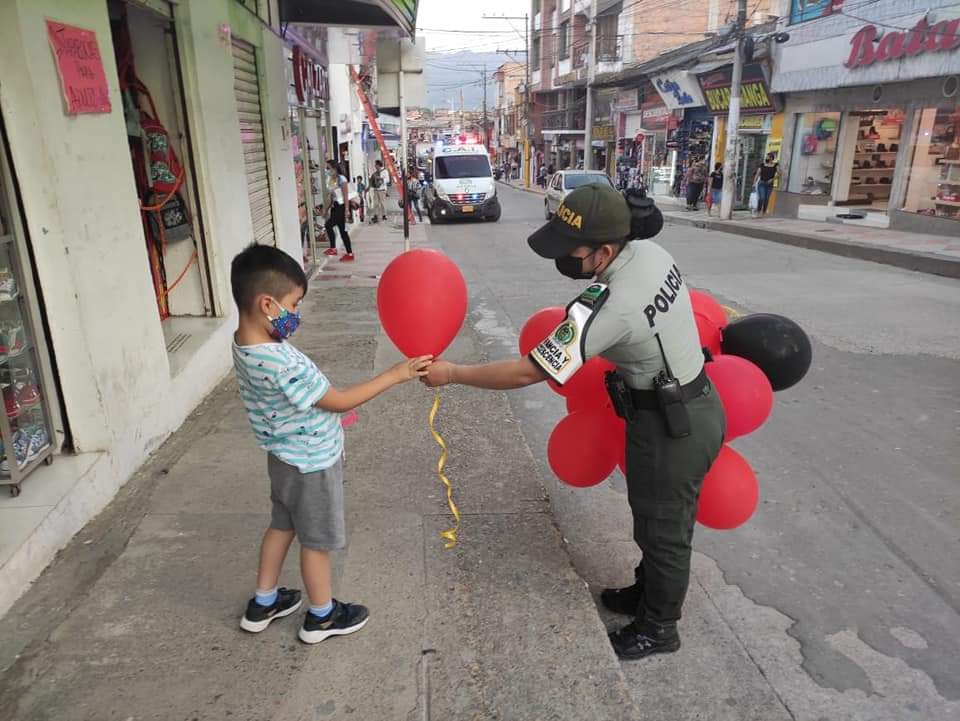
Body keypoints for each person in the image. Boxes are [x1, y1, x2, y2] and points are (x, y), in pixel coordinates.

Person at [423, 184, 724, 661]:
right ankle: (647, 594)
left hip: (674, 425)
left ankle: (659, 627)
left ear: (604, 251)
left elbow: (529, 370)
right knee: (654, 518)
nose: (564, 259)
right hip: (686, 406)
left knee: (664, 531)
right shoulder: (648, 252)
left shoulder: (611, 306)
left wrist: (453, 373)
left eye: (571, 251)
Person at [229, 244, 432, 644]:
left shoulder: (246, 341)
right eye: (294, 304)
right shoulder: (278, 362)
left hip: (284, 457)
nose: (297, 314)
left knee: (281, 525)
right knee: (316, 542)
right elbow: (338, 400)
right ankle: (321, 616)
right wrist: (396, 374)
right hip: (311, 464)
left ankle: (264, 602)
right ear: (267, 304)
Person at [323, 160, 354, 262]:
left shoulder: (342, 179)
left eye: (328, 168)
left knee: (328, 225)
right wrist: (326, 209)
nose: (327, 170)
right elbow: (331, 197)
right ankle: (349, 254)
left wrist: (346, 210)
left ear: (335, 168)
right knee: (343, 232)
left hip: (342, 207)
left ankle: (333, 248)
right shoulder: (331, 180)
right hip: (335, 207)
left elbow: (345, 195)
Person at [753, 152, 781, 217]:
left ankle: (764, 212)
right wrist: (754, 183)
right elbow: (757, 174)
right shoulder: (762, 165)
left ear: (771, 158)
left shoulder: (775, 165)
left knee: (766, 199)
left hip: (770, 184)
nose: (766, 158)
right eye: (766, 157)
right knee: (762, 198)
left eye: (768, 157)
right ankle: (758, 211)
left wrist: (772, 179)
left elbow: (779, 174)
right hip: (762, 183)